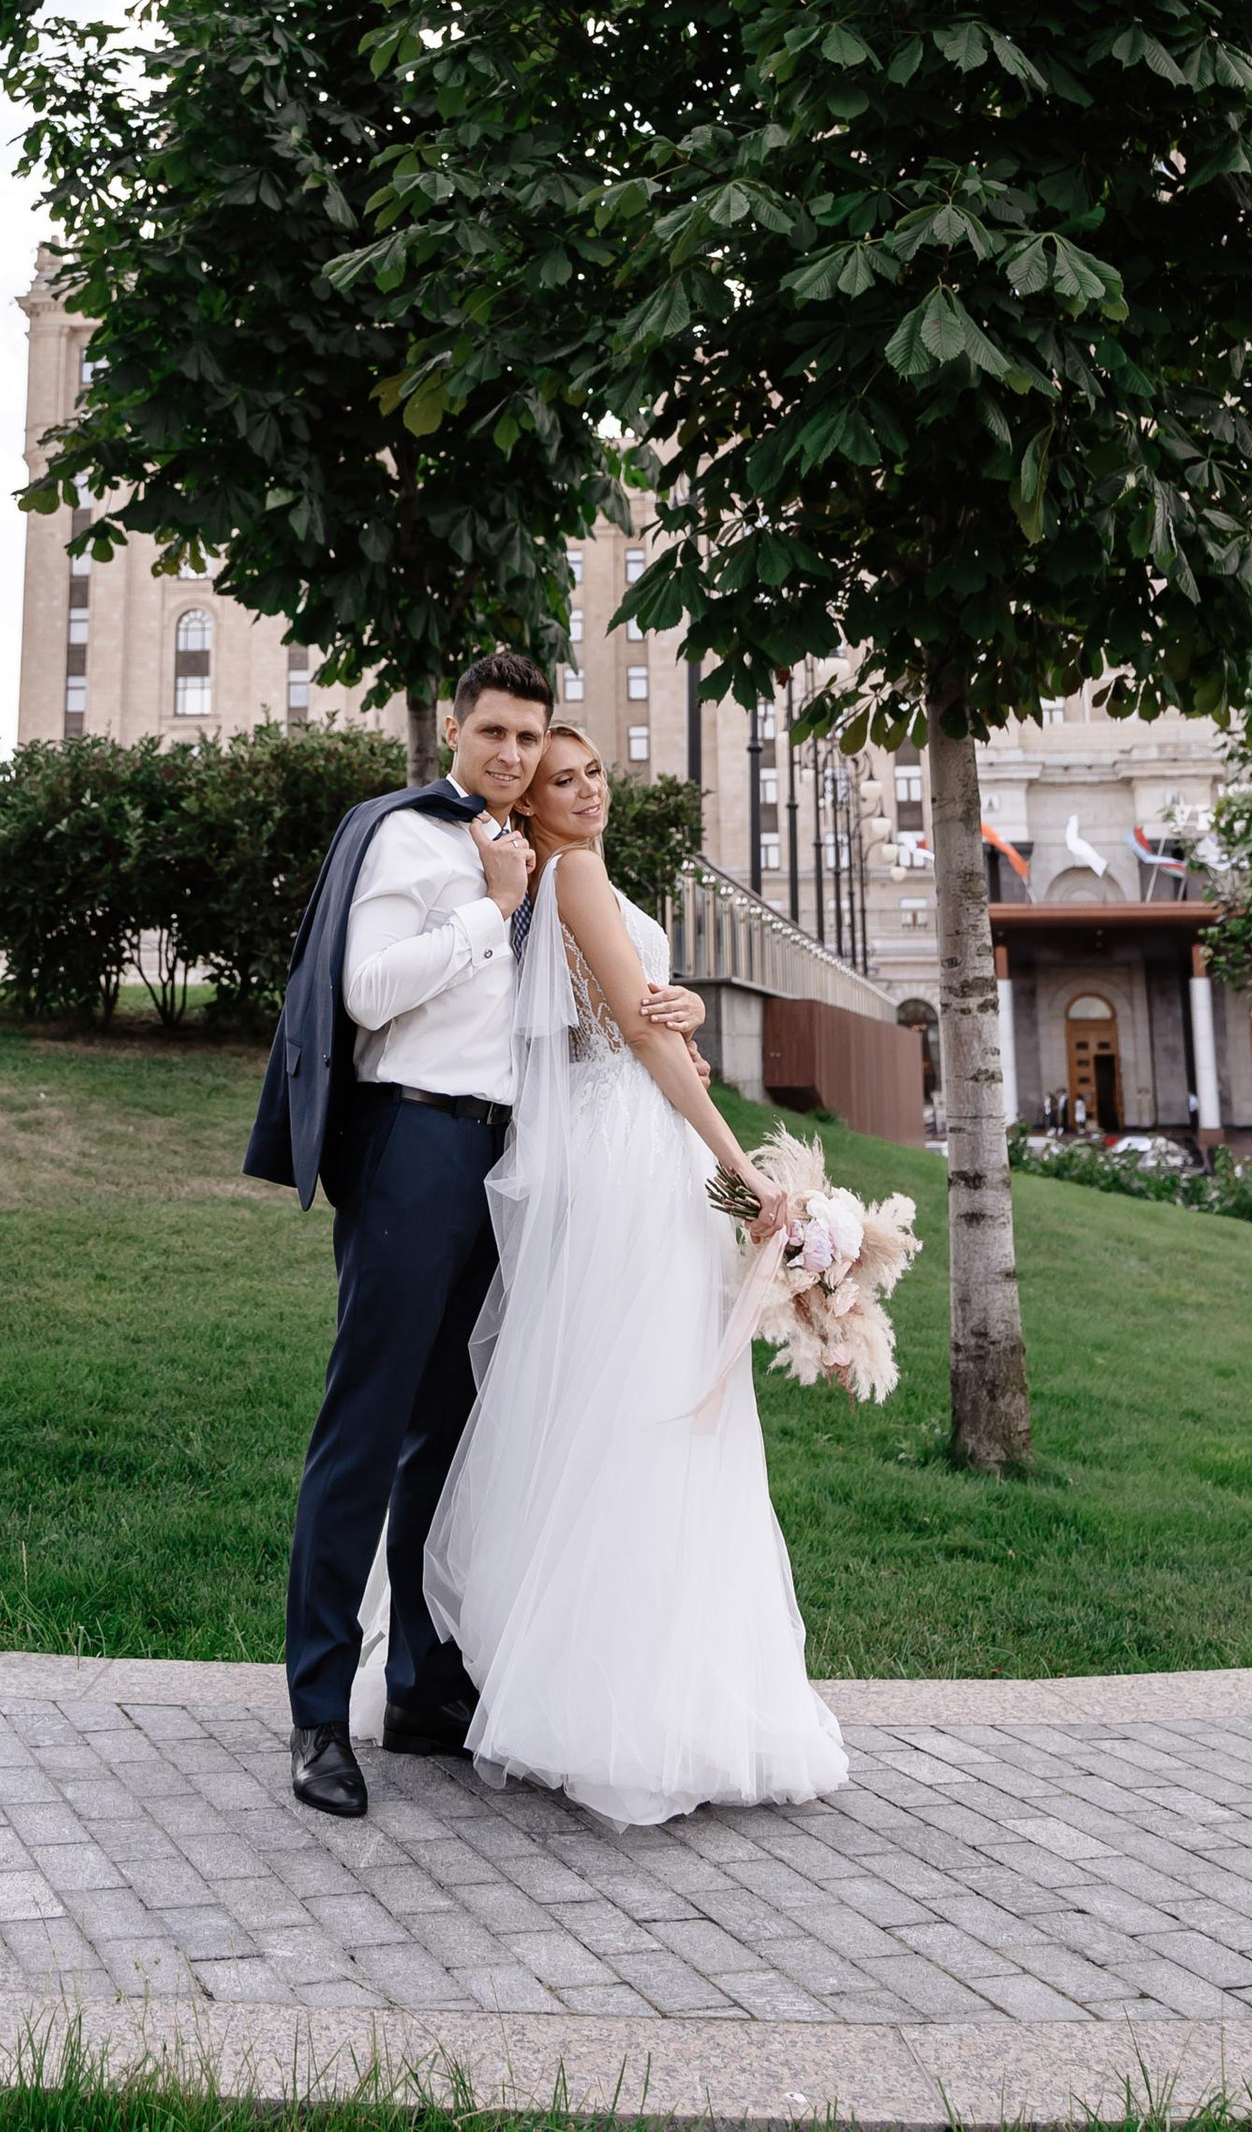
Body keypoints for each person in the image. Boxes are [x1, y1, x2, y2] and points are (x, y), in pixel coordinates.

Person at [245, 646, 705, 1821]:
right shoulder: (409, 840)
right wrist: (484, 912)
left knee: (445, 1442)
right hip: (411, 1147)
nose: (508, 755)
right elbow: (364, 993)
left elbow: (574, 1009)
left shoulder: (534, 859)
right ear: (455, 733)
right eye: (492, 734)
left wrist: (664, 1002)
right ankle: (314, 1712)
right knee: (366, 1429)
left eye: (526, 737)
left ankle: (418, 1685)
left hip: (505, 1160)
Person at [424, 720, 851, 1828]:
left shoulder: (585, 880)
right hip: (631, 1162)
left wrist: (689, 1009)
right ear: (536, 806)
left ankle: (671, 1689)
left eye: (592, 771)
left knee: (649, 1404)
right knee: (647, 1408)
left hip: (631, 1139)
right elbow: (634, 1034)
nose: (585, 791)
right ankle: (615, 1707)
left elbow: (647, 1013)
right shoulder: (570, 877)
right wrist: (744, 1171)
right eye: (560, 781)